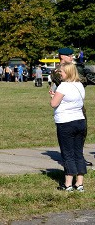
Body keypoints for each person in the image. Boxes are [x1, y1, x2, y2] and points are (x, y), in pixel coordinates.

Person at [49, 62, 87, 191]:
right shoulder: (79, 85)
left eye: (61, 72)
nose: (60, 74)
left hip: (66, 122)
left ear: (68, 72)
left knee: (68, 153)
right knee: (78, 153)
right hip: (80, 120)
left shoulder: (63, 86)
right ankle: (79, 183)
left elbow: (54, 104)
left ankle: (68, 184)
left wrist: (53, 97)